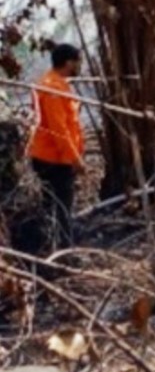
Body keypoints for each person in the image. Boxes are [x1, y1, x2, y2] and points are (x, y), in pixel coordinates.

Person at [28, 43, 85, 249]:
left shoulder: (56, 83)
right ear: (69, 63)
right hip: (54, 158)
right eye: (78, 62)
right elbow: (58, 129)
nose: (80, 67)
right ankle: (64, 251)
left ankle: (53, 247)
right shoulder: (52, 87)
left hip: (54, 156)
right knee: (61, 207)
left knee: (54, 206)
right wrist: (74, 159)